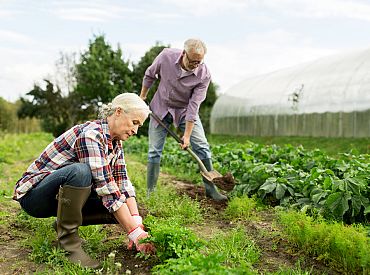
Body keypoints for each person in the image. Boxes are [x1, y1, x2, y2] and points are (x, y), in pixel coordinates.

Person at [13, 93, 155, 268]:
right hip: (35, 197)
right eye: (134, 123)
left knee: (125, 210)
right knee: (81, 172)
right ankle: (68, 245)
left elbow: (122, 182)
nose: (135, 131)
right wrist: (133, 232)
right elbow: (107, 189)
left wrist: (137, 224)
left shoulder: (115, 143)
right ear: (118, 112)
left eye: (139, 126)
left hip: (59, 197)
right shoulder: (91, 135)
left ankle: (63, 223)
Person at [140, 38, 227, 201]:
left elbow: (194, 106)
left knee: (202, 146)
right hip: (161, 106)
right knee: (154, 151)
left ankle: (211, 190)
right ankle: (150, 193)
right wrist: (142, 97)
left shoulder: (204, 75)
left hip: (184, 111)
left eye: (199, 62)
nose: (195, 65)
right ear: (184, 53)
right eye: (193, 61)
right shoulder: (166, 56)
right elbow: (150, 75)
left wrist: (186, 135)